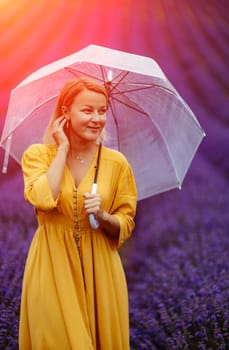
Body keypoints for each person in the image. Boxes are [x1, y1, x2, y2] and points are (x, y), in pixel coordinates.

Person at [19, 77, 137, 350]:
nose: (97, 118)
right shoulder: (38, 155)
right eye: (87, 110)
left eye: (102, 110)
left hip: (101, 270)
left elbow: (126, 222)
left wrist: (105, 216)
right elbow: (42, 198)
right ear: (65, 113)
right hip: (51, 263)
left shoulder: (116, 163)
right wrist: (61, 149)